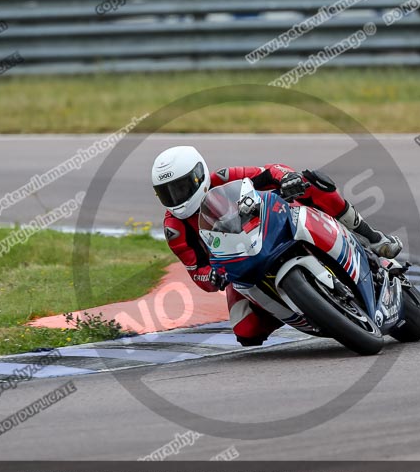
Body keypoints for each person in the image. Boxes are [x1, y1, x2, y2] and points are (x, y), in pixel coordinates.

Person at [151, 145, 402, 346]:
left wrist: (288, 178)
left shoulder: (225, 178)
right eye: (167, 193)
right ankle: (306, 306)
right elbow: (197, 272)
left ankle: (372, 237)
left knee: (311, 182)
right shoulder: (176, 229)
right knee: (246, 332)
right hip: (240, 267)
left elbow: (271, 171)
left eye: (181, 188)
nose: (176, 198)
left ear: (199, 175)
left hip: (272, 228)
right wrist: (213, 276)